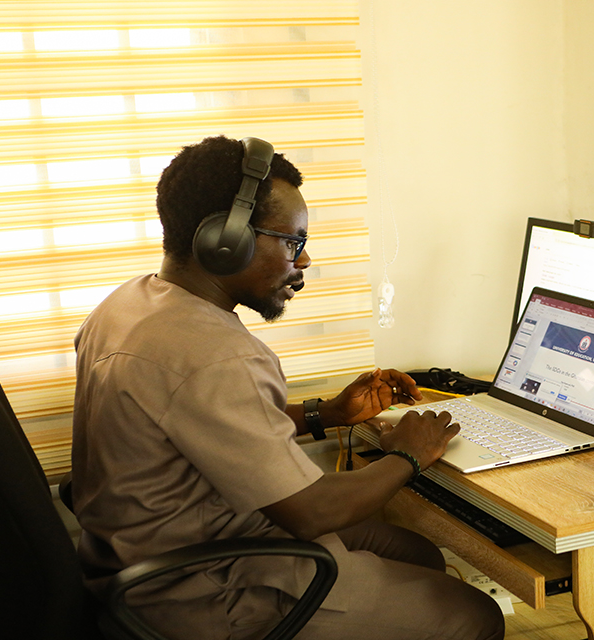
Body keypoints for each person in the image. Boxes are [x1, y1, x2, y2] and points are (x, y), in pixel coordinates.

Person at [70, 135, 505, 640]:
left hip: (155, 555)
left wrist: (329, 413)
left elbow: (205, 422)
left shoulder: (126, 307)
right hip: (209, 593)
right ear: (225, 239)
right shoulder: (216, 353)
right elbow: (311, 512)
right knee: (475, 617)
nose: (303, 261)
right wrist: (408, 455)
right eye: (292, 242)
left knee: (419, 553)